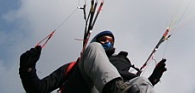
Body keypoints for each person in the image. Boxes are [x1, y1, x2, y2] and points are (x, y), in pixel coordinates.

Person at [19, 31, 167, 93]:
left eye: (110, 41)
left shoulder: (121, 62)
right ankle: (115, 88)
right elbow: (37, 89)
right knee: (94, 48)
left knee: (142, 81)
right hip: (81, 88)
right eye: (103, 40)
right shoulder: (75, 65)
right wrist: (28, 68)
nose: (107, 43)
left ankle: (116, 88)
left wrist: (153, 78)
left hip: (113, 87)